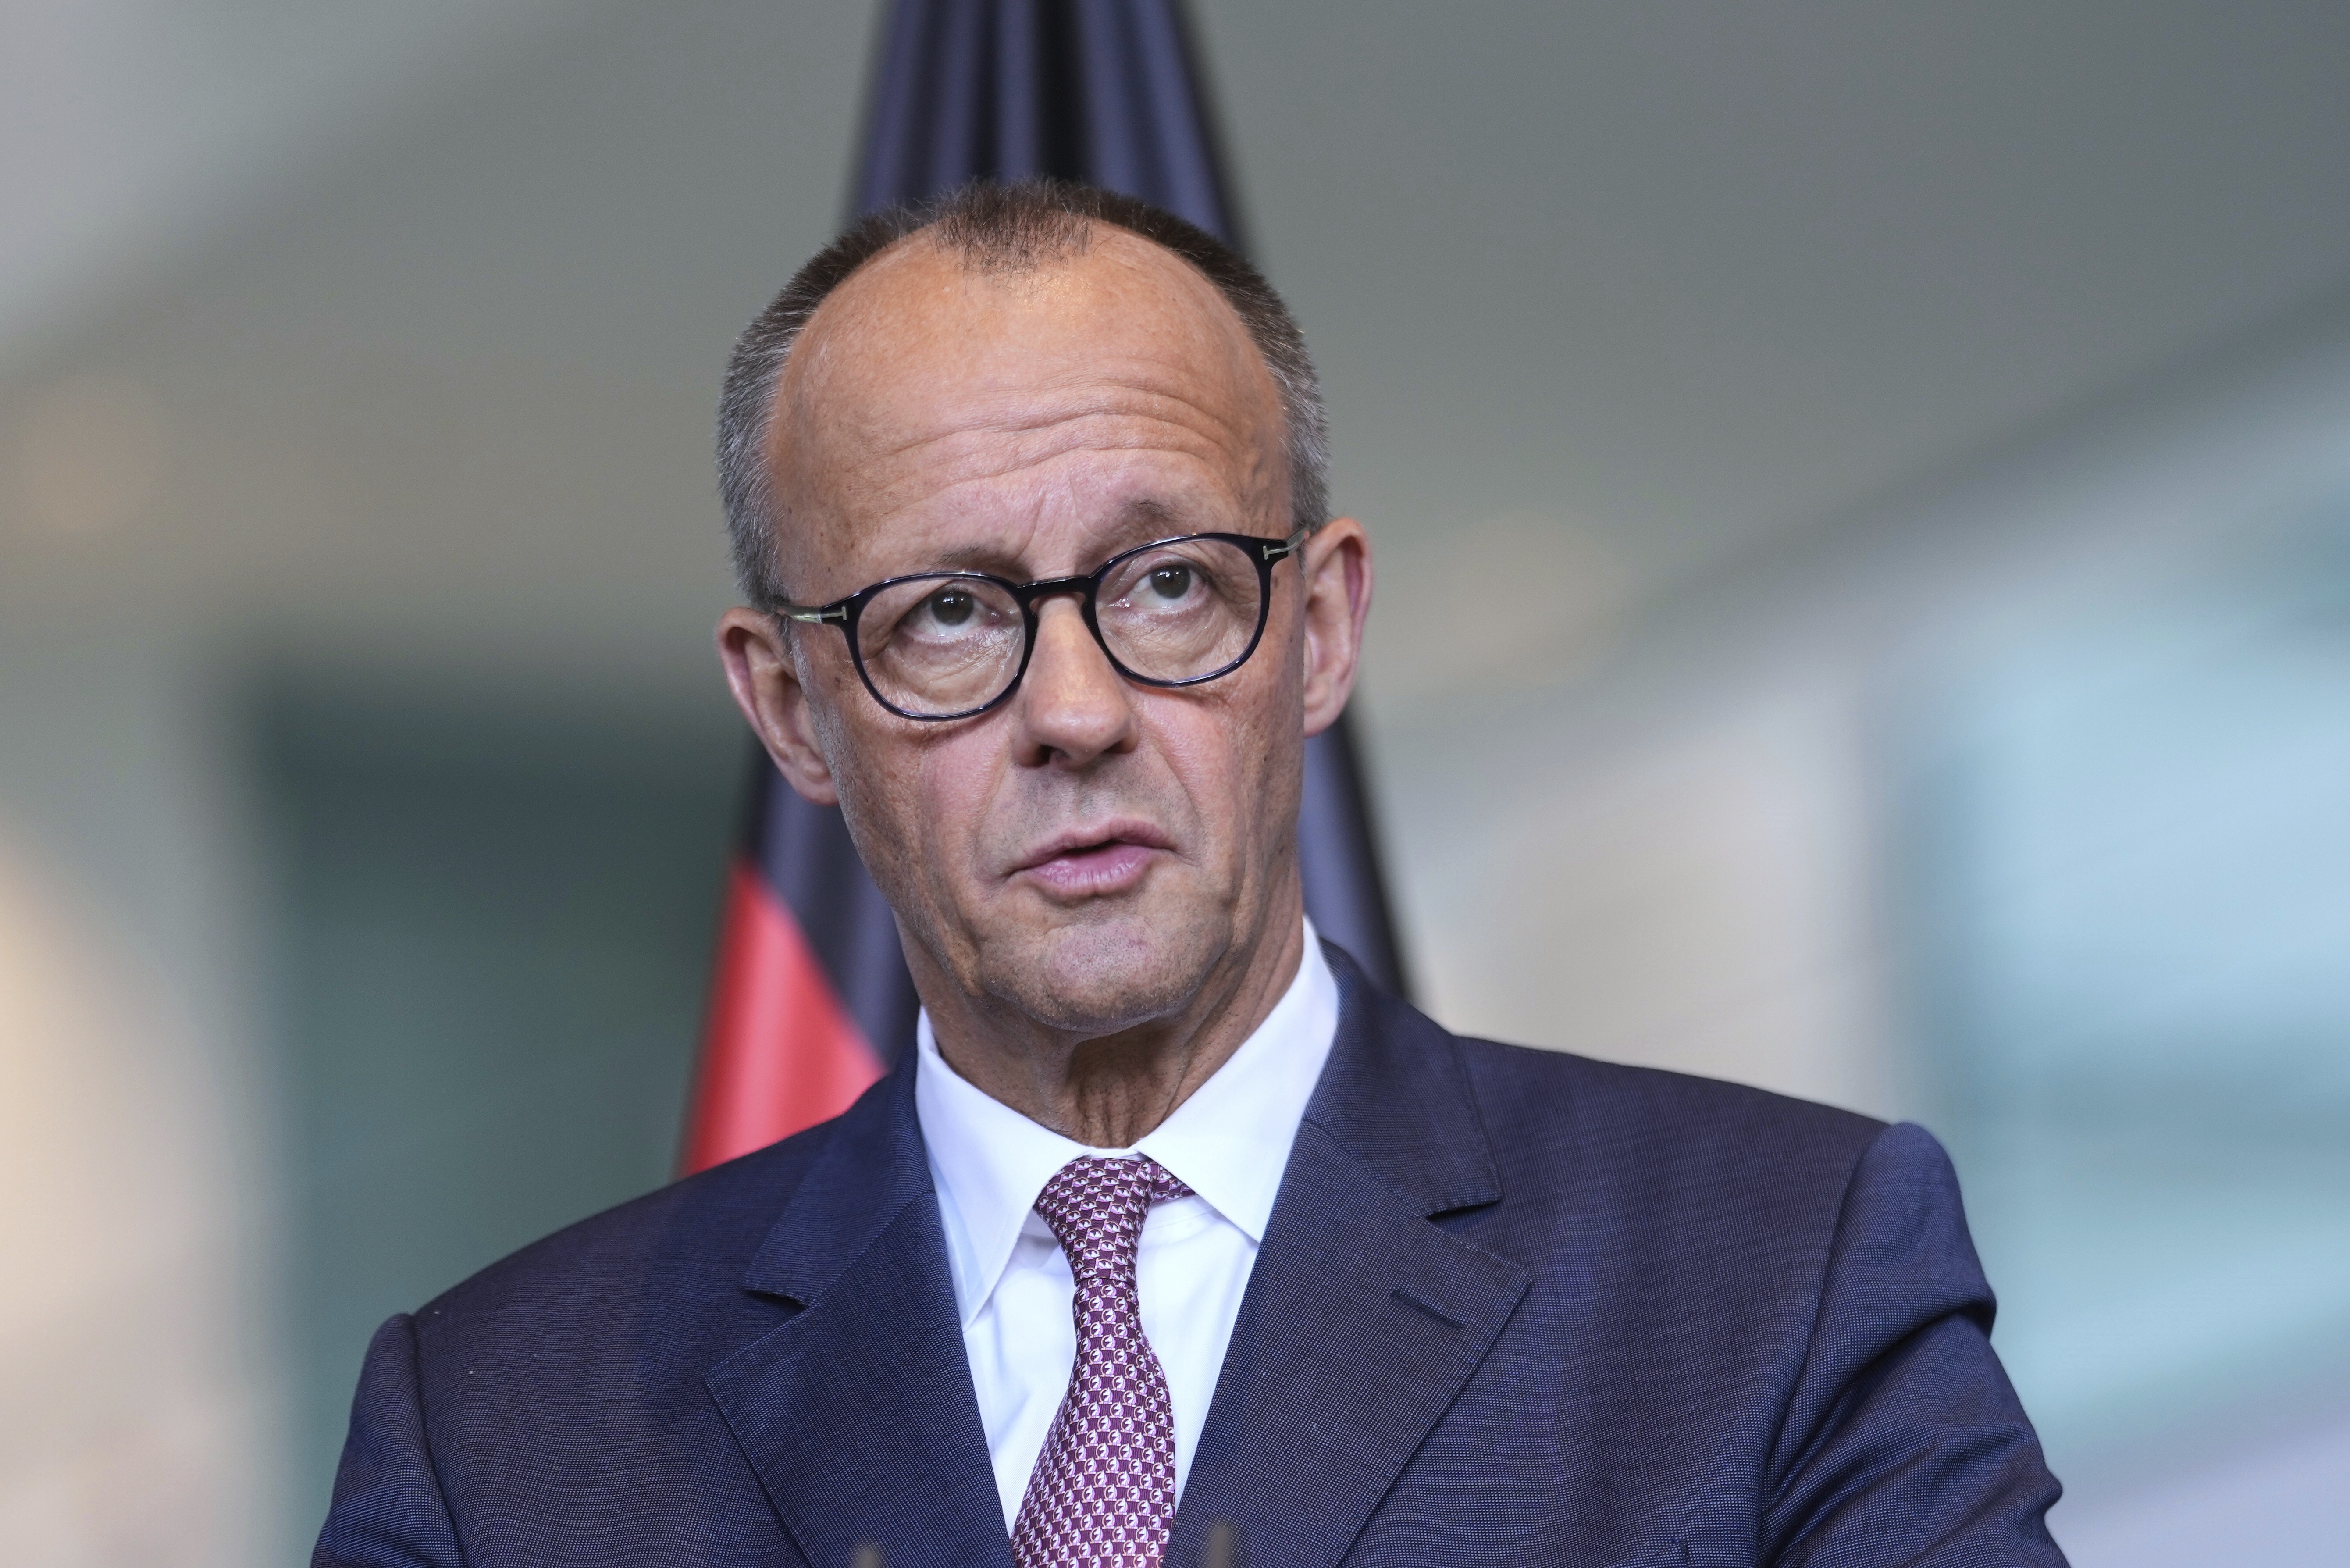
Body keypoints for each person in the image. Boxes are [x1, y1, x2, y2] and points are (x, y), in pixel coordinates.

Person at [314, 180, 2067, 1568]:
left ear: (1316, 630)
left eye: (1165, 584)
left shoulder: (1780, 1269)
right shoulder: (493, 1438)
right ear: (791, 710)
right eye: (945, 614)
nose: (1074, 714)